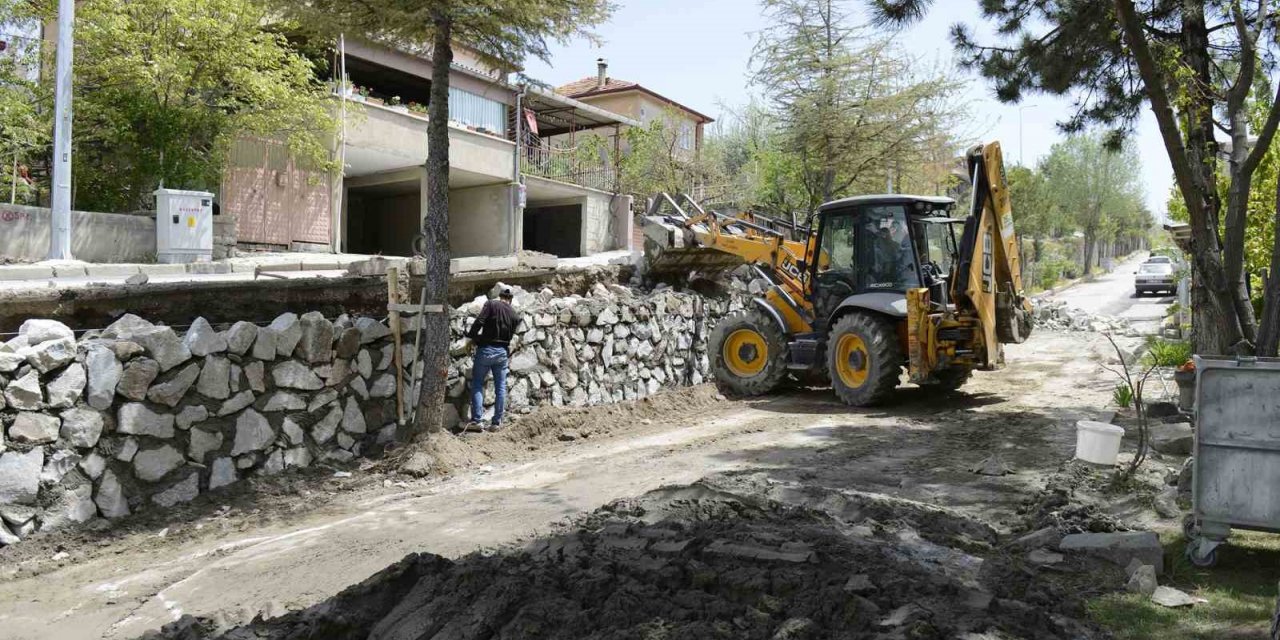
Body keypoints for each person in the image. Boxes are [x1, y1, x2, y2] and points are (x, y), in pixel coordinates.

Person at [465, 288, 519, 432]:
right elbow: (511, 336)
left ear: (500, 297)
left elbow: (479, 321)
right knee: (500, 387)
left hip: (486, 350)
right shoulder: (514, 315)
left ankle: (477, 421)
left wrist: (470, 337)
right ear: (510, 300)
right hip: (502, 353)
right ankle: (496, 422)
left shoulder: (491, 304)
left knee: (477, 383)